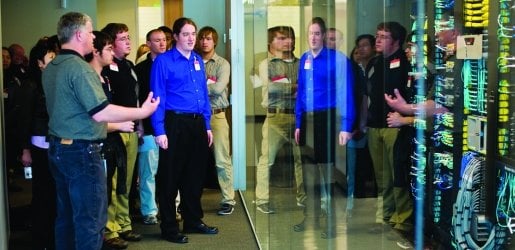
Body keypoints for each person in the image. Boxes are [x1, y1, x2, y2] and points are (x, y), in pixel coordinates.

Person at [42, 12, 159, 250]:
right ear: (79, 34)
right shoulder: (80, 69)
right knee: (90, 220)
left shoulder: (53, 66)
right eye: (90, 30)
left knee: (66, 218)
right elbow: (101, 112)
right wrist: (142, 112)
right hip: (81, 151)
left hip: (58, 149)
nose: (93, 35)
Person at [151, 17, 218, 244]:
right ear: (176, 37)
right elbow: (158, 98)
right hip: (174, 123)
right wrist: (159, 130)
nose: (191, 38)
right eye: (186, 34)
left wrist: (207, 125)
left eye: (194, 34)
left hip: (197, 123)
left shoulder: (198, 60)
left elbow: (204, 96)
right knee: (170, 177)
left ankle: (193, 220)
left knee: (195, 175)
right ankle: (169, 227)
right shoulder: (164, 61)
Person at [293, 17, 355, 239]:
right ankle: (311, 218)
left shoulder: (337, 60)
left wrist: (346, 126)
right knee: (310, 175)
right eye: (310, 33)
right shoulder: (304, 59)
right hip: (308, 122)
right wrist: (298, 122)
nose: (313, 37)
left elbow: (346, 94)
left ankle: (334, 223)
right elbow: (301, 93)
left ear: (323, 36)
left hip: (329, 120)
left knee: (330, 175)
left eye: (317, 34)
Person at [366, 21, 413, 237]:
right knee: (382, 176)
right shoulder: (374, 63)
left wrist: (405, 118)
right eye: (377, 35)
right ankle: (384, 216)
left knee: (398, 175)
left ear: (395, 42)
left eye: (383, 37)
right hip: (374, 126)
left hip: (395, 126)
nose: (377, 40)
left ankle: (402, 219)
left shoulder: (406, 63)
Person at [100, 22, 143, 247]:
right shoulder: (105, 68)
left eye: (129, 37)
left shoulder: (128, 65)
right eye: (123, 38)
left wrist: (139, 125)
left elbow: (134, 98)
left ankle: (125, 224)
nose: (128, 41)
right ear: (110, 43)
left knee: (126, 182)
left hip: (132, 129)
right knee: (114, 182)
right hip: (114, 131)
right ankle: (111, 228)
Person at [254, 25, 305, 214]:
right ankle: (261, 199)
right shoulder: (266, 64)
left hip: (299, 117)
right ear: (271, 42)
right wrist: (295, 87)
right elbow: (273, 89)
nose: (288, 41)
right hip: (276, 117)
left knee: (302, 160)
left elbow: (307, 88)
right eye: (282, 38)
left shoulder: (302, 62)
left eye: (290, 37)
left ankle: (303, 198)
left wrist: (288, 85)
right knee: (267, 160)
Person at [16, 36, 58, 249]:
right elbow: (24, 121)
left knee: (54, 193)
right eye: (51, 57)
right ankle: (42, 239)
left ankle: (52, 237)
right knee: (43, 193)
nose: (56, 60)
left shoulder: (53, 81)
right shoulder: (31, 85)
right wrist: (25, 149)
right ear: (39, 62)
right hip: (39, 144)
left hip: (57, 143)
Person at [195, 26, 235, 215]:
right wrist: (207, 85)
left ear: (215, 41)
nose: (204, 42)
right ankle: (190, 200)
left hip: (216, 115)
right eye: (202, 38)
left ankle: (228, 199)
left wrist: (197, 88)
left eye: (208, 38)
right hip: (194, 116)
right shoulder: (191, 60)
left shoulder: (222, 63)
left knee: (222, 159)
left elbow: (219, 89)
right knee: (192, 159)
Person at [135, 28, 167, 225]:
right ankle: (149, 211)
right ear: (148, 43)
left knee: (170, 171)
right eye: (157, 40)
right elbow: (137, 100)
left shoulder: (173, 64)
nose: (162, 43)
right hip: (147, 126)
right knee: (148, 173)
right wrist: (139, 124)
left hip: (169, 126)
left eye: (164, 40)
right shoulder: (140, 69)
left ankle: (171, 207)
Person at [345, 34, 376, 216]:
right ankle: (352, 205)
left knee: (370, 169)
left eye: (364, 46)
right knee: (355, 169)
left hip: (374, 126)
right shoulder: (354, 73)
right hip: (357, 128)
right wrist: (355, 126)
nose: (360, 51)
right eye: (357, 48)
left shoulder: (375, 68)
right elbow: (355, 101)